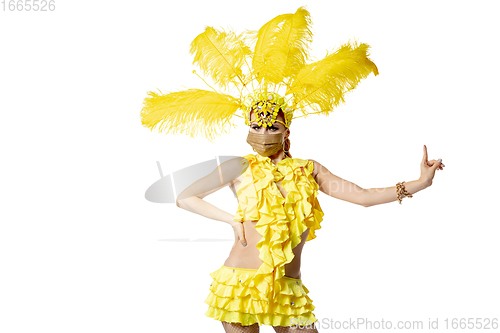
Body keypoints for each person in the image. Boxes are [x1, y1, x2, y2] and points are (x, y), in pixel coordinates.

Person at [140, 6, 445, 332]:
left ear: (287, 132)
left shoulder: (309, 170)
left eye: (272, 127)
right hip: (238, 284)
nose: (262, 132)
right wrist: (231, 220)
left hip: (288, 287)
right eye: (256, 125)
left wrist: (420, 183)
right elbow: (185, 197)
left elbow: (363, 197)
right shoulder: (238, 166)